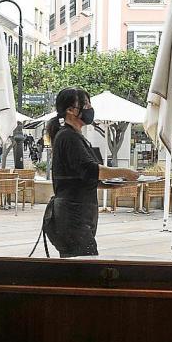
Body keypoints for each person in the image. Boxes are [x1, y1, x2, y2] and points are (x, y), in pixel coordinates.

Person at [46, 87, 139, 258]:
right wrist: (125, 172)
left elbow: (80, 177)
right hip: (73, 216)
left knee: (80, 265)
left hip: (77, 214)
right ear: (71, 110)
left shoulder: (73, 136)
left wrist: (113, 185)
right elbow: (91, 169)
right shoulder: (68, 137)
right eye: (85, 104)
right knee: (84, 266)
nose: (89, 108)